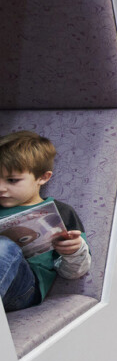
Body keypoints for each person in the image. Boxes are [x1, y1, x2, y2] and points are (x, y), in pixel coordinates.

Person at [0, 131, 90, 313]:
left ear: (43, 177)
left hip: (22, 289)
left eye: (12, 180)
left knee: (3, 246)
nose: (1, 188)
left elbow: (73, 272)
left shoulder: (58, 213)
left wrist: (73, 251)